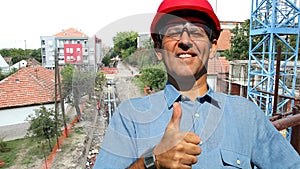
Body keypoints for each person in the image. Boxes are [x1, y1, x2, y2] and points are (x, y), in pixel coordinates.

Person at [94, 0, 300, 168]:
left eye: (197, 32)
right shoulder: (130, 116)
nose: (185, 41)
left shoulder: (245, 114)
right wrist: (152, 161)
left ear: (212, 47)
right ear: (158, 49)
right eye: (173, 32)